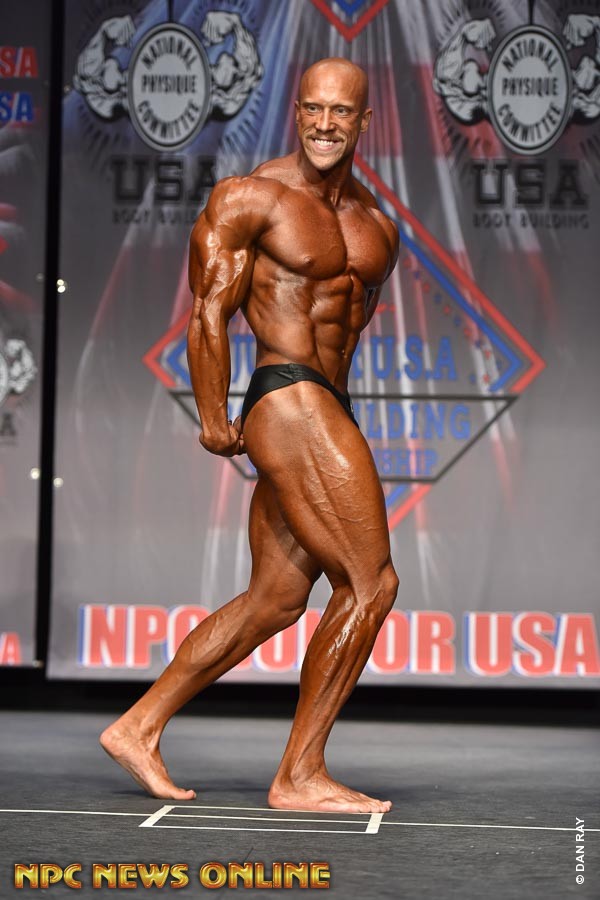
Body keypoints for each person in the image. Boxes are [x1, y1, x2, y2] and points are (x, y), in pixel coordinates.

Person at [101, 57, 399, 814]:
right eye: (313, 108)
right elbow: (210, 308)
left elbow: (349, 334)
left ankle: (138, 726)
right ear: (296, 113)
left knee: (274, 598)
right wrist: (212, 415)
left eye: (341, 111)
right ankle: (300, 774)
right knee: (371, 584)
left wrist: (336, 428)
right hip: (285, 392)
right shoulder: (252, 197)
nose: (325, 124)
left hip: (325, 405)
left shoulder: (377, 226)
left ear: (364, 121)